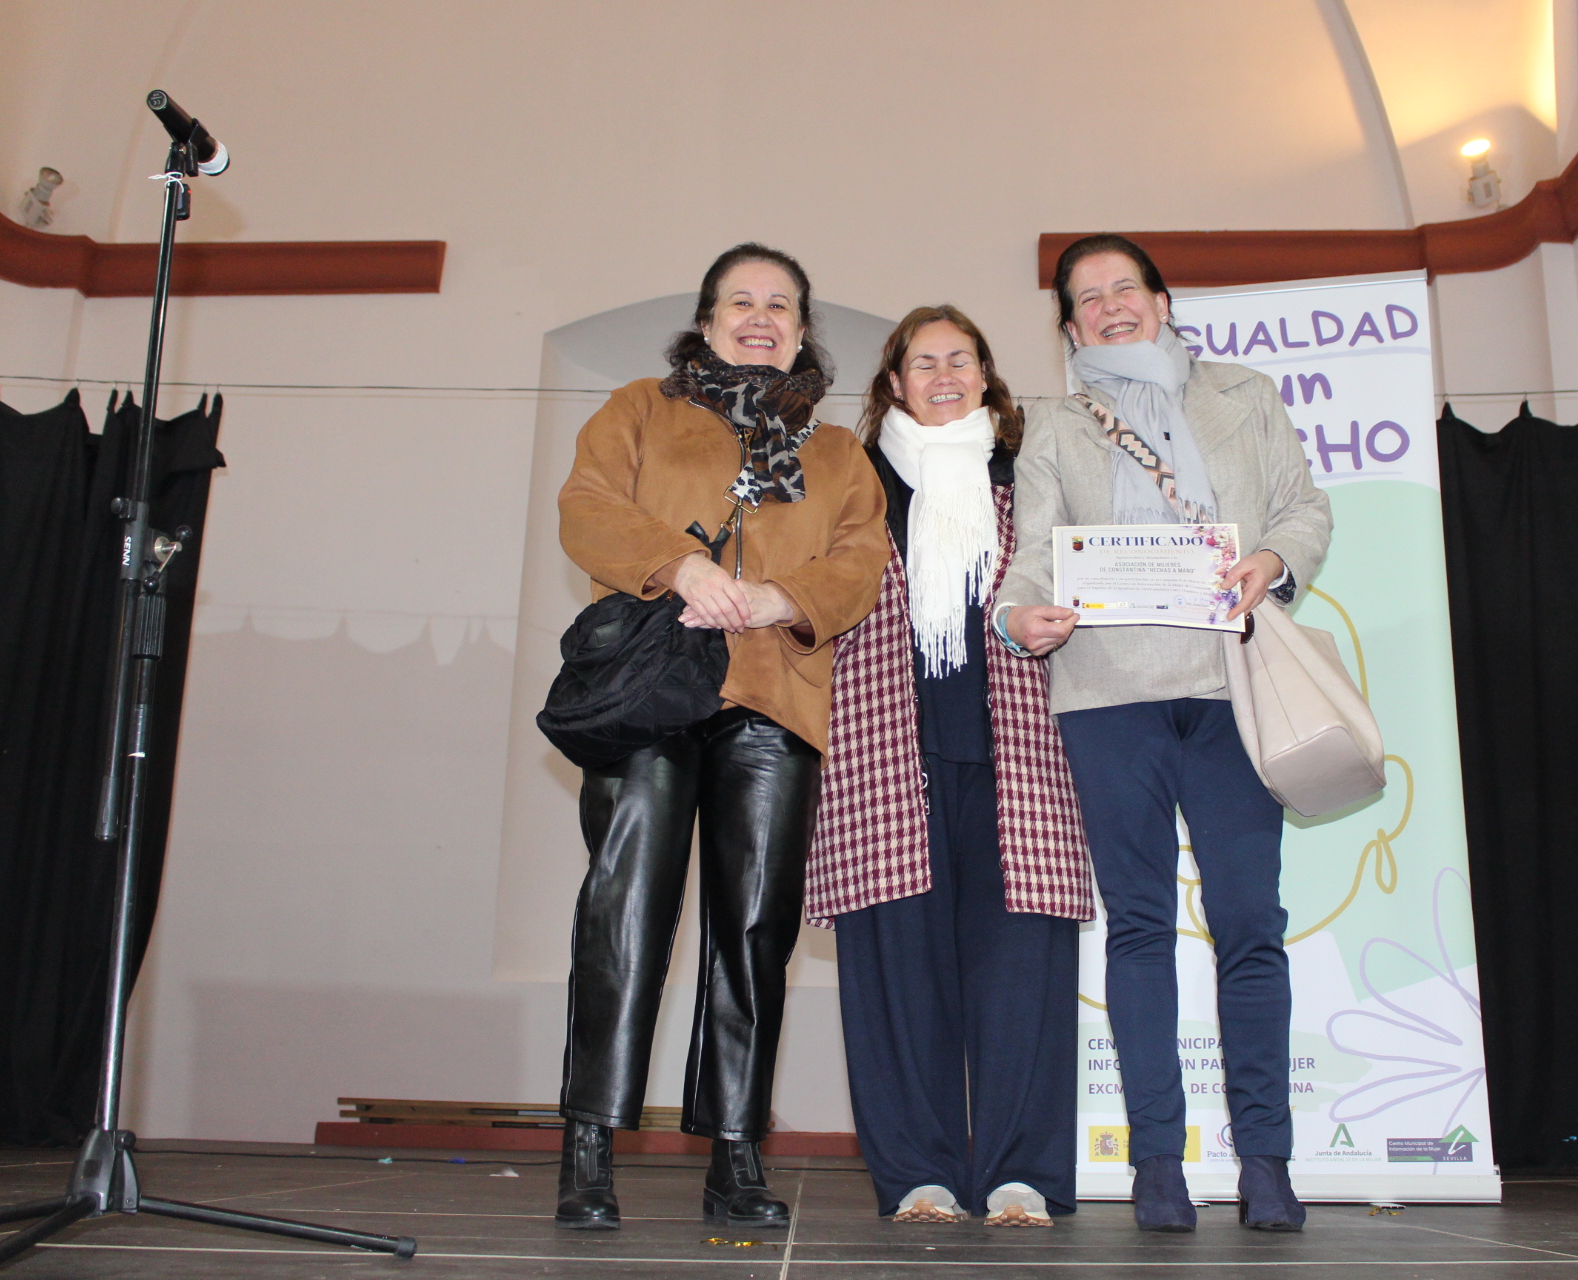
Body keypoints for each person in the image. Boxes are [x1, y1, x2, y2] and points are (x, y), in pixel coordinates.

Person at [994, 235, 1333, 1233]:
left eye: (1124, 288)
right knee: (1138, 929)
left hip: (1232, 688)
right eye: (1087, 298)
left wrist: (1272, 559)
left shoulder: (1245, 395)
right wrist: (1016, 616)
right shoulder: (1054, 424)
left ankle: (1267, 1161)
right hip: (1108, 696)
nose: (1109, 307)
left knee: (1250, 922)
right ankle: (1157, 1164)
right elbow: (1032, 555)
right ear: (1068, 326)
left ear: (1162, 299)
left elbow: (1303, 508)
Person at [553, 243, 889, 1231]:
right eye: (740, 301)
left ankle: (737, 1152)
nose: (759, 316)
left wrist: (787, 596)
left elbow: (863, 559)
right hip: (651, 690)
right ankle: (587, 1145)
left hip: (775, 696)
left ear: (802, 330)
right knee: (625, 914)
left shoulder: (838, 453)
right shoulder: (638, 409)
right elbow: (585, 508)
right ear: (705, 323)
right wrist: (680, 567)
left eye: (779, 304)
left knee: (754, 930)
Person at [806, 306, 1092, 1228]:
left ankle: (1021, 1175)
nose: (942, 375)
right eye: (922, 362)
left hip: (1022, 753)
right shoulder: (849, 481)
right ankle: (917, 1175)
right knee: (896, 978)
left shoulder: (1032, 474)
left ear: (984, 375)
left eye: (959, 359)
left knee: (1023, 975)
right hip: (882, 752)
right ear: (894, 382)